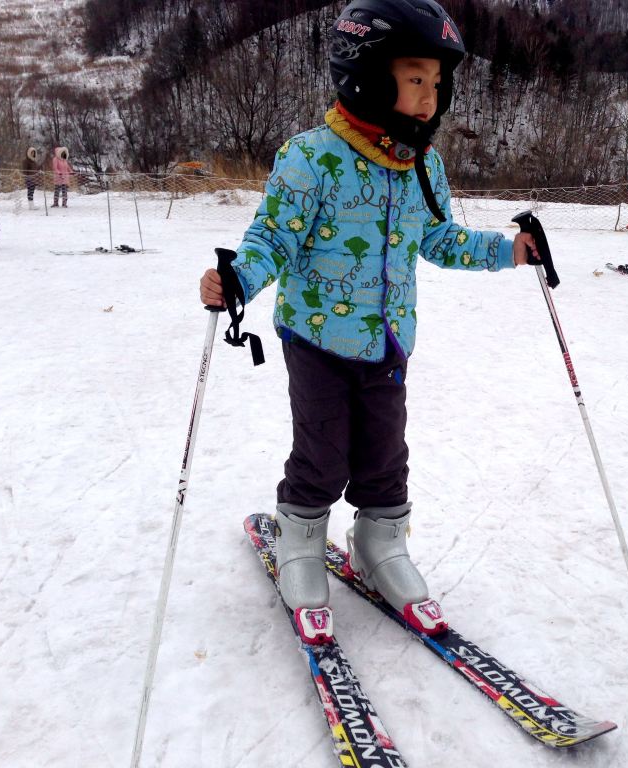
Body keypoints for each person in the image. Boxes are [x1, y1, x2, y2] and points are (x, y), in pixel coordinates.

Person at [198, 0, 538, 646]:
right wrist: (236, 279)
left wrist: (507, 251)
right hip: (318, 340)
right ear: (368, 73)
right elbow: (274, 238)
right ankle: (300, 538)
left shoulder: (421, 164)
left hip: (387, 341)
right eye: (416, 79)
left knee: (385, 456)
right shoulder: (311, 158)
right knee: (322, 453)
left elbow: (439, 240)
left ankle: (379, 544)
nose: (429, 96)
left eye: (437, 83)